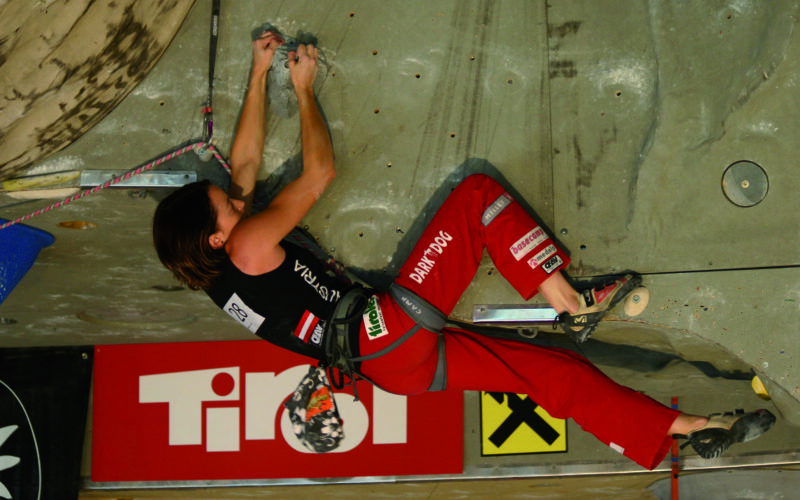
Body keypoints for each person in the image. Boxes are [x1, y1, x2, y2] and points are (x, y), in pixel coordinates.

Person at [152, 31, 776, 469]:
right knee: (477, 199)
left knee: (552, 375)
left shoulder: (220, 276)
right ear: (216, 234)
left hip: (392, 371)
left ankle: (690, 430)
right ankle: (568, 300)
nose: (239, 199)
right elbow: (317, 174)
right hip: (385, 331)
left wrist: (261, 74)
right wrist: (305, 88)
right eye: (228, 206)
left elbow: (245, 163)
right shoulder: (250, 242)